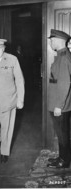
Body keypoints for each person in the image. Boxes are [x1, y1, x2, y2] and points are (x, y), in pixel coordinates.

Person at [47, 29, 71, 168]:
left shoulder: (64, 57)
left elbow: (64, 83)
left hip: (60, 104)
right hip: (58, 102)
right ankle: (62, 157)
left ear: (59, 40)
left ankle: (65, 161)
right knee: (61, 133)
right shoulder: (62, 56)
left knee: (62, 134)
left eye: (52, 39)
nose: (50, 42)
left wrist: (59, 106)